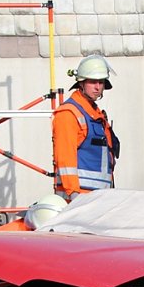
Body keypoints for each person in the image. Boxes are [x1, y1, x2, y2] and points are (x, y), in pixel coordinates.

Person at [53, 55, 120, 200]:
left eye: (101, 82)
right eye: (93, 82)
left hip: (98, 199)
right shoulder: (69, 113)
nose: (97, 87)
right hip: (77, 199)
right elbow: (65, 161)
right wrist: (74, 196)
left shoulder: (95, 115)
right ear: (81, 83)